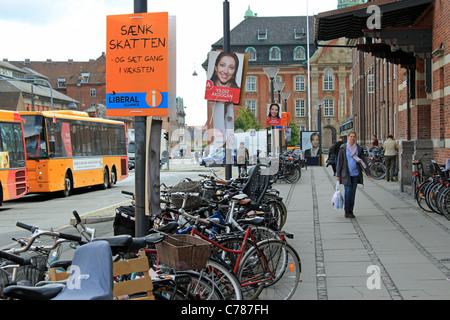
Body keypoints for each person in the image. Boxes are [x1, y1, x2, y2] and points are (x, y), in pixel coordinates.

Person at [336, 131, 371, 219]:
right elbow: (340, 161)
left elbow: (363, 160)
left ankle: (351, 211)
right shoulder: (343, 148)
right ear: (348, 137)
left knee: (353, 193)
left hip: (355, 174)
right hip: (346, 174)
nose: (352, 138)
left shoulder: (358, 148)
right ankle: (346, 211)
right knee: (347, 192)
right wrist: (338, 174)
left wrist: (368, 172)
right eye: (351, 136)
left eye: (354, 136)